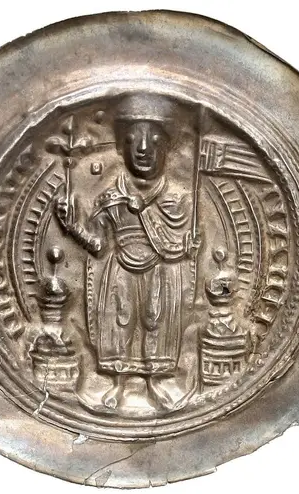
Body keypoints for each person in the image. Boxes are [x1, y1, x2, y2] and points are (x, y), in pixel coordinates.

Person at [55, 94, 200, 412]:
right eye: (134, 141)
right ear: (123, 149)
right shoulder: (110, 197)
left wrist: (184, 246)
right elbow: (98, 245)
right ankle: (117, 385)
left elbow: (180, 247)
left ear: (166, 148)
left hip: (161, 270)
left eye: (154, 141)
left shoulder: (179, 199)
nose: (143, 149)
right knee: (120, 322)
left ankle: (154, 383)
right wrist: (72, 226)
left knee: (155, 320)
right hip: (119, 268)